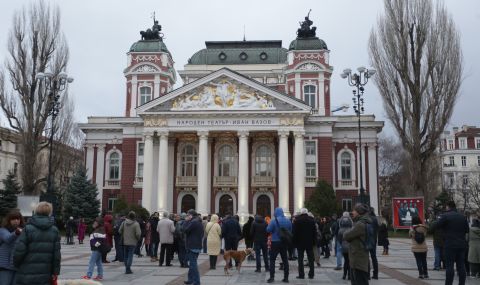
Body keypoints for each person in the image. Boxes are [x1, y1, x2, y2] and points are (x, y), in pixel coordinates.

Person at [14, 202, 61, 285]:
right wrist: (55, 272)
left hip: (26, 271)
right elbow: (56, 254)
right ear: (49, 212)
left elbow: (19, 250)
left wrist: (16, 264)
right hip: (45, 273)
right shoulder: (54, 230)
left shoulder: (27, 229)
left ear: (36, 210)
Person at [434, 201, 469, 285]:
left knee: (449, 266)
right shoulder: (463, 217)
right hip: (462, 245)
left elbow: (435, 226)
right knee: (461, 266)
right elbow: (467, 230)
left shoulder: (445, 216)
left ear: (448, 206)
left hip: (450, 245)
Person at [343, 203, 371, 285]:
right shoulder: (363, 222)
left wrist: (348, 231)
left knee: (359, 281)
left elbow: (346, 236)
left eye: (354, 211)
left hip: (358, 259)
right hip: (359, 257)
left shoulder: (360, 224)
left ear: (359, 212)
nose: (352, 212)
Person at [266, 207, 292, 283]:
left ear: (276, 213)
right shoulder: (288, 221)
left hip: (275, 242)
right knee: (285, 260)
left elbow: (268, 230)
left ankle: (272, 277)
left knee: (272, 260)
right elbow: (290, 231)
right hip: (284, 242)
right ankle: (286, 278)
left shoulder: (274, 221)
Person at [0, 209, 24, 284]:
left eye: (18, 219)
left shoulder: (24, 231)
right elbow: (8, 239)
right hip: (5, 267)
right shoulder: (3, 230)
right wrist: (16, 233)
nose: (16, 221)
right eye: (13, 219)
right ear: (9, 220)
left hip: (17, 266)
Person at [293, 208, 316, 280]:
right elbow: (314, 233)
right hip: (309, 243)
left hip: (300, 243)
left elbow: (295, 233)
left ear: (301, 213)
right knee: (311, 259)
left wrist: (295, 242)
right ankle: (311, 274)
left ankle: (301, 274)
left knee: (300, 259)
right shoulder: (312, 221)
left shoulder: (297, 221)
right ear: (307, 212)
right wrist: (314, 242)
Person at [183, 209, 204, 285]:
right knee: (192, 264)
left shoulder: (193, 222)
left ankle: (196, 281)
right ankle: (191, 279)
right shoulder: (198, 222)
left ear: (191, 215)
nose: (187, 217)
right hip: (196, 245)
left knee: (193, 265)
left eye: (187, 215)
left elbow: (185, 230)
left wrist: (186, 221)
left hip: (192, 246)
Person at [338, 212, 353, 280]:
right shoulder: (351, 229)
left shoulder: (340, 230)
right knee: (350, 261)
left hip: (344, 247)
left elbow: (339, 240)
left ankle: (344, 275)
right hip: (350, 247)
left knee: (346, 261)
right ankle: (350, 275)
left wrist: (342, 244)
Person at [368, 207, 379, 280]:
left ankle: (367, 274)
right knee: (374, 257)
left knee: (366, 257)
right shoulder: (375, 219)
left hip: (367, 240)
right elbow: (377, 229)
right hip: (374, 240)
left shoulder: (367, 219)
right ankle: (375, 274)